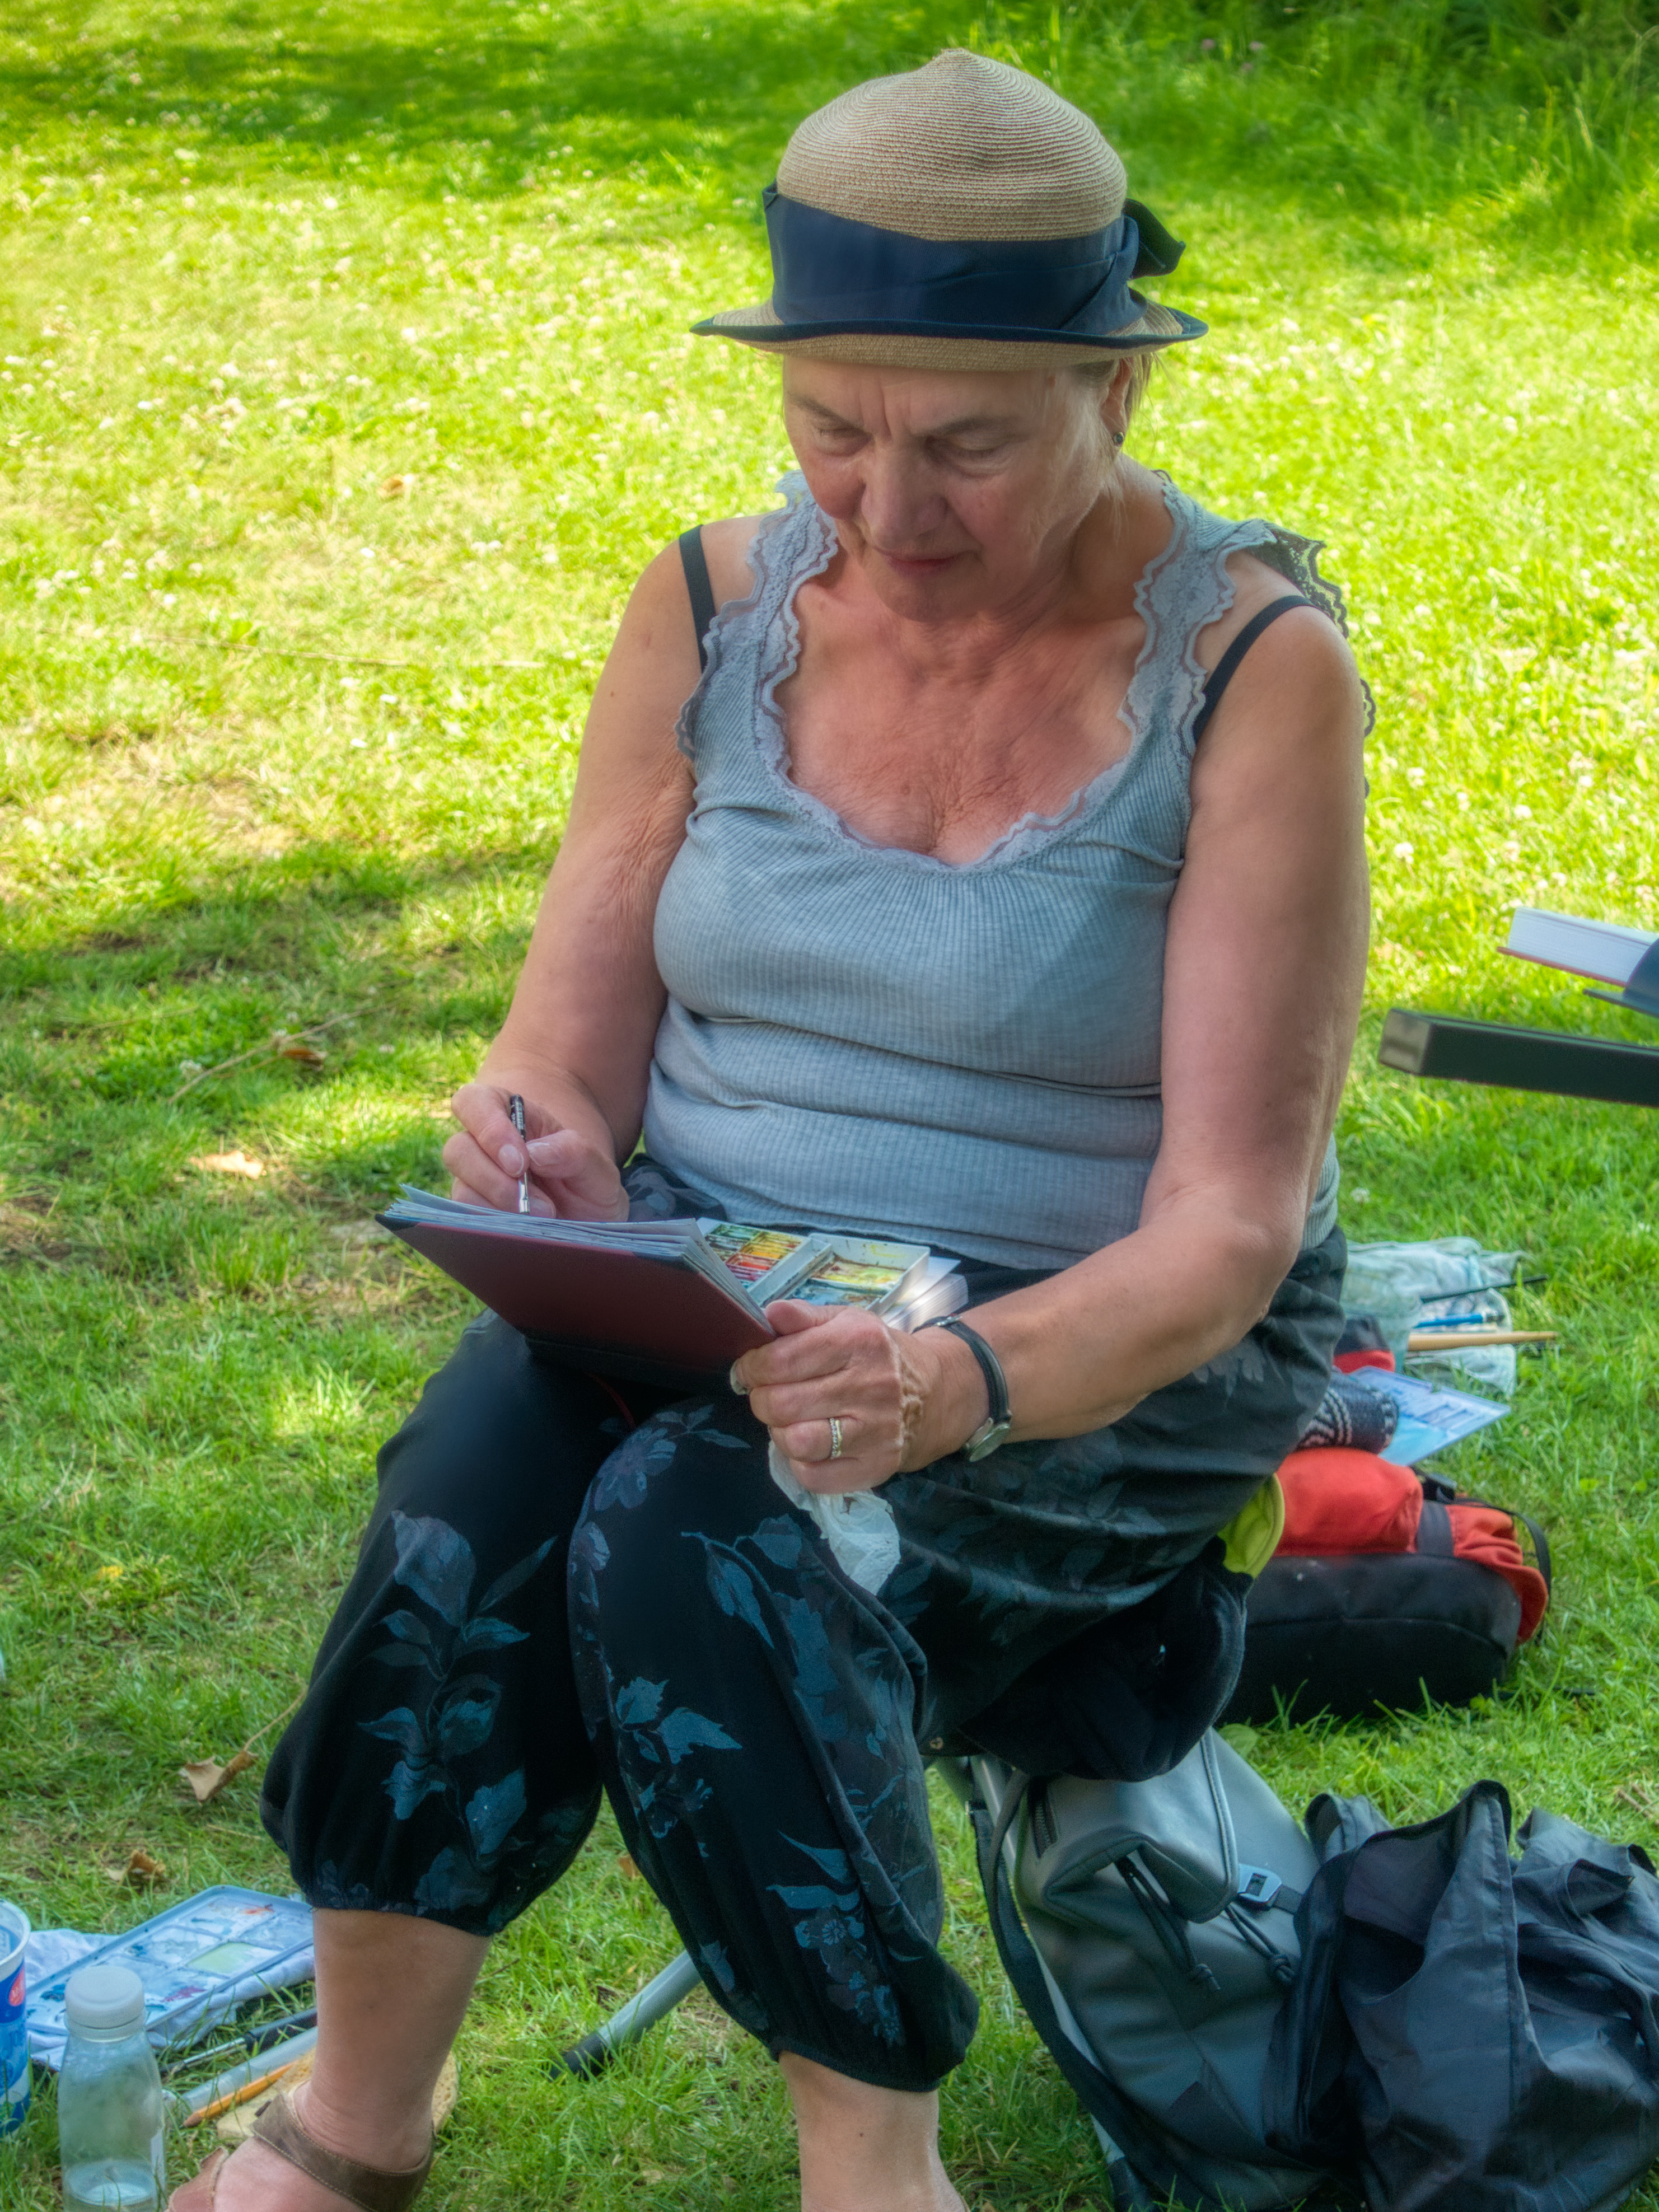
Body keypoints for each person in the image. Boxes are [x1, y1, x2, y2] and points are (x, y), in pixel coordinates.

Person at [172, 48, 1370, 2212]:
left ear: (1113, 390)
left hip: (1090, 1330)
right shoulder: (715, 606)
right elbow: (560, 1048)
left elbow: (1227, 1223)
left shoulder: (1250, 666)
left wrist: (950, 1382)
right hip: (718, 1264)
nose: (886, 509)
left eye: (965, 446)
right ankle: (356, 2127)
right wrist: (540, 1147)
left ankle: (875, 2173)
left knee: (715, 1528)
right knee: (470, 1492)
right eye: (832, 430)